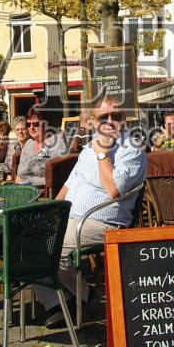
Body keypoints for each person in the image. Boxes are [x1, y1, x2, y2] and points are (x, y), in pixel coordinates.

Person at [55, 97, 147, 303]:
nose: (110, 121)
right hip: (72, 219)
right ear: (94, 122)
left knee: (53, 245)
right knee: (28, 239)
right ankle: (56, 304)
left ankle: (85, 296)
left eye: (116, 116)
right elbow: (69, 185)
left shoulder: (131, 150)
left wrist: (102, 154)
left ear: (124, 119)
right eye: (103, 117)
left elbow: (114, 190)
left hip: (104, 223)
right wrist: (51, 212)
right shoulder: (88, 148)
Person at [14, 108, 67, 185]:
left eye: (35, 124)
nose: (31, 127)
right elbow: (19, 175)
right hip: (23, 190)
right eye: (28, 124)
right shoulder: (29, 143)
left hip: (43, 192)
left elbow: (57, 176)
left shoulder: (55, 141)